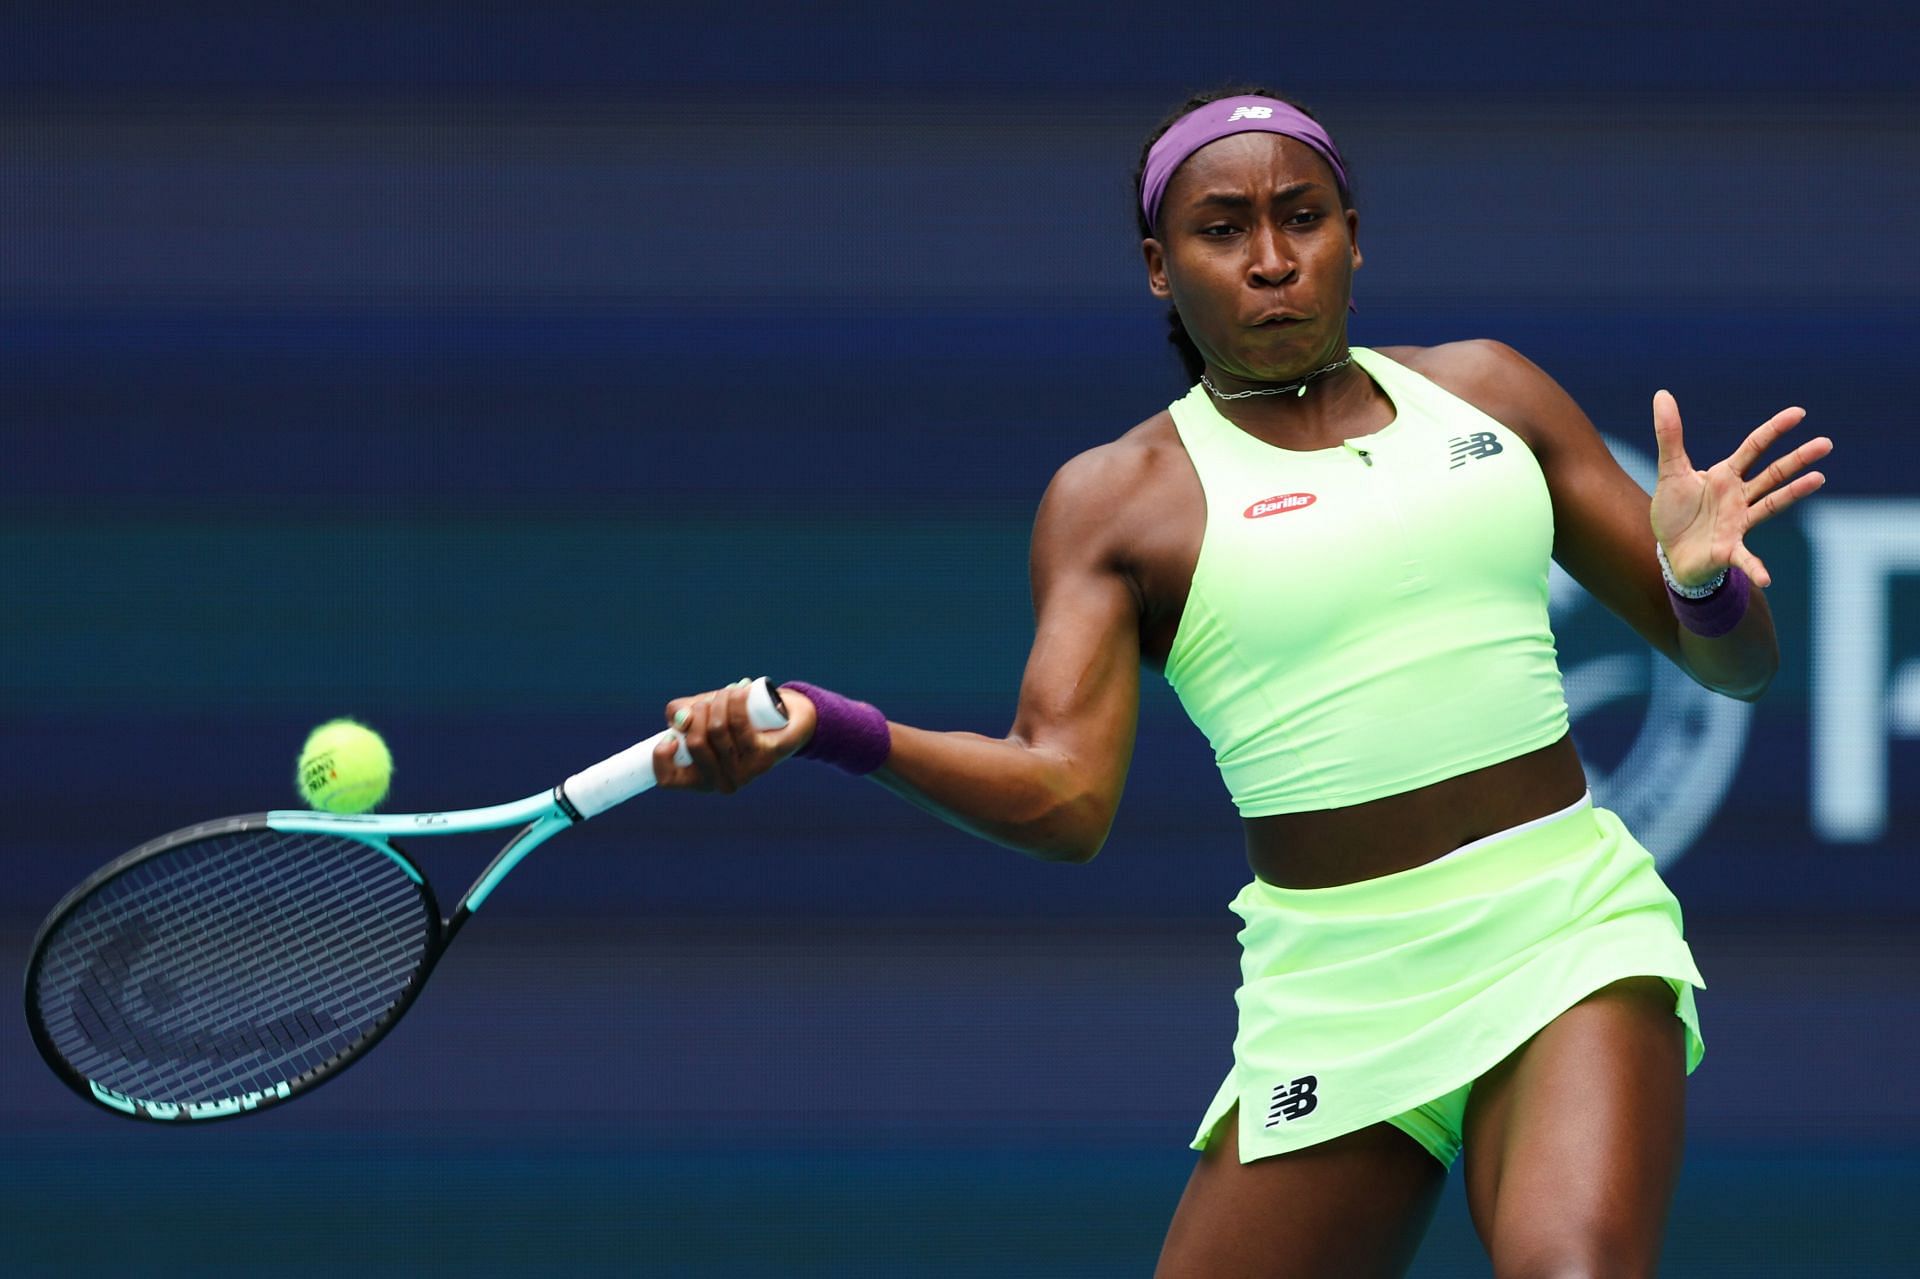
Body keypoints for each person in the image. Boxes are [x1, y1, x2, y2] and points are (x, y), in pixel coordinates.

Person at [650, 86, 1833, 1277]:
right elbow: (1064, 796)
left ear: (1354, 237)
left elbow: (1738, 667)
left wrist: (1700, 586)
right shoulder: (1120, 498)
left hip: (1565, 926)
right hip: (1334, 984)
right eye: (1224, 230)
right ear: (1162, 267)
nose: (1272, 260)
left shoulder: (1492, 392)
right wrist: (837, 731)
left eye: (1302, 218)